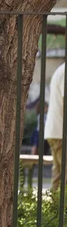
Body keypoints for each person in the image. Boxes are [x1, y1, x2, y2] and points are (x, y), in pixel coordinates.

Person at [45, 62, 66, 192]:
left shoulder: (61, 69)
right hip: (61, 132)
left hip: (56, 130)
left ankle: (54, 209)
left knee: (58, 175)